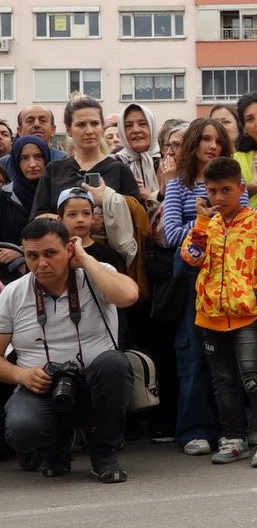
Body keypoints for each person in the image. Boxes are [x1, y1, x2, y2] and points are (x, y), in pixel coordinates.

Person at [0, 219, 139, 483]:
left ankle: (104, 453)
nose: (41, 264)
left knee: (114, 364)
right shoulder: (13, 294)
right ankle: (56, 447)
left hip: (93, 386)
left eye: (50, 253)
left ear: (69, 249)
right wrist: (21, 375)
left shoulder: (95, 273)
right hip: (41, 390)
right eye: (32, 256)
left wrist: (86, 260)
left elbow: (129, 296)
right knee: (22, 429)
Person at [180, 157, 257, 467]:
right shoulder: (207, 225)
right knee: (223, 380)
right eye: (212, 191)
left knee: (253, 376)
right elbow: (191, 258)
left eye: (226, 190)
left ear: (241, 188)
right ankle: (234, 437)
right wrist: (200, 224)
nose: (218, 198)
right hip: (210, 316)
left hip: (248, 316)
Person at [162, 118, 241, 456]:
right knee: (194, 354)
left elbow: (243, 227)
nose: (212, 146)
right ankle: (194, 429)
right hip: (194, 281)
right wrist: (207, 220)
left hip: (229, 277)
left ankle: (232, 429)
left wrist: (212, 221)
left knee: (230, 356)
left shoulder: (234, 181)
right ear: (193, 143)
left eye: (218, 140)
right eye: (205, 139)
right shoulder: (179, 185)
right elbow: (170, 234)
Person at [31, 96, 141, 217]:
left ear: (102, 127)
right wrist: (68, 222)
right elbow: (37, 217)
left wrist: (108, 201)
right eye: (81, 124)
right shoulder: (54, 170)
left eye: (94, 123)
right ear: (68, 130)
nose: (89, 131)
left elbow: (138, 217)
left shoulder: (120, 170)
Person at [57, 188, 128, 274]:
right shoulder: (57, 252)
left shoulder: (107, 253)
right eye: (72, 214)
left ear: (93, 217)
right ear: (60, 219)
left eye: (86, 213)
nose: (80, 219)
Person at [0, 137, 51, 248]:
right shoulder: (4, 196)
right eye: (24, 158)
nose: (32, 164)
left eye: (38, 157)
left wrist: (21, 252)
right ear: (15, 162)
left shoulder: (57, 193)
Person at [115, 104, 162, 202]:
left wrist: (151, 197)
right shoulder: (115, 164)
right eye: (128, 126)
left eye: (142, 124)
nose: (136, 130)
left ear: (152, 127)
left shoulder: (168, 160)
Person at [0, 105, 68, 168]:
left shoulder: (65, 161)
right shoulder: (4, 164)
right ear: (20, 131)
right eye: (30, 121)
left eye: (43, 121)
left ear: (53, 130)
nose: (36, 124)